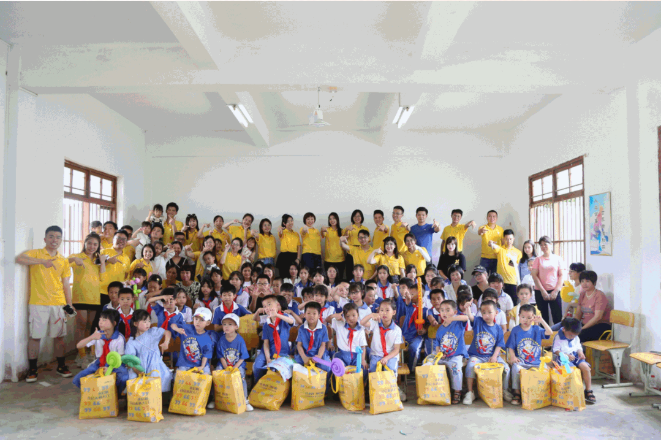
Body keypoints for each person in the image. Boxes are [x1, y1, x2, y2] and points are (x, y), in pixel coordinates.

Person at [16, 226, 74, 382]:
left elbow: (65, 284)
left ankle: (61, 366)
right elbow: (19, 259)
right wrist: (42, 261)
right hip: (38, 303)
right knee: (35, 337)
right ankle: (32, 369)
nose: (54, 240)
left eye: (58, 237)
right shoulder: (36, 253)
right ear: (45, 239)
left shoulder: (63, 260)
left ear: (61, 240)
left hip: (59, 304)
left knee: (59, 337)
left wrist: (69, 304)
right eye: (51, 236)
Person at [68, 233, 108, 366]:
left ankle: (85, 352)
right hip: (80, 296)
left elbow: (103, 278)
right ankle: (82, 356)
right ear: (85, 243)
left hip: (94, 297)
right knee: (81, 325)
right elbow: (62, 263)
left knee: (89, 327)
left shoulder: (98, 259)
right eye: (89, 243)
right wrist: (74, 259)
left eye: (95, 244)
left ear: (98, 246)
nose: (92, 246)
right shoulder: (77, 256)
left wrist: (103, 262)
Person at [463, 300, 512, 405]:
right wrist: (467, 308)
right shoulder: (478, 322)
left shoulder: (498, 328)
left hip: (492, 356)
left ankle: (504, 390)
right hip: (477, 356)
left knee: (506, 368)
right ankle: (470, 392)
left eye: (490, 312)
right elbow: (470, 317)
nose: (486, 315)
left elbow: (499, 344)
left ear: (496, 313)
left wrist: (494, 356)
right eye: (483, 312)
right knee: (470, 366)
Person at [72, 309, 129, 394]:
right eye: (100, 319)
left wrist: (110, 368)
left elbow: (120, 358)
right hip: (99, 362)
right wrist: (92, 337)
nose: (100, 322)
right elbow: (78, 346)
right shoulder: (97, 334)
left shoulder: (119, 338)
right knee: (78, 378)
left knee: (124, 377)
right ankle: (94, 393)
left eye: (104, 320)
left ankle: (115, 394)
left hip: (115, 363)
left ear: (114, 323)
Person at [506, 304, 553, 405]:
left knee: (545, 369)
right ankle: (517, 393)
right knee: (515, 368)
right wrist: (513, 356)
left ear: (533, 318)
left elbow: (550, 332)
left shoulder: (537, 329)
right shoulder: (515, 330)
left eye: (529, 317)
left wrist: (541, 321)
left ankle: (542, 392)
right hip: (521, 361)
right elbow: (510, 346)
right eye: (523, 317)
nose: (525, 320)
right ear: (519, 316)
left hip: (536, 362)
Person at [170, 307, 215, 405]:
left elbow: (206, 354)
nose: (197, 322)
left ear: (208, 323)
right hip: (184, 363)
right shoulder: (186, 328)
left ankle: (203, 401)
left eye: (202, 320)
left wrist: (202, 367)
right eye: (196, 319)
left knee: (206, 376)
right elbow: (172, 324)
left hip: (200, 364)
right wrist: (177, 329)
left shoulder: (207, 338)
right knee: (179, 376)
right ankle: (178, 401)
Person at [125, 309, 173, 392]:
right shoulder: (131, 341)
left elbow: (167, 332)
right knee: (134, 380)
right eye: (144, 321)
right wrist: (136, 370)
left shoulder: (153, 332)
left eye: (149, 321)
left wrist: (166, 342)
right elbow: (130, 360)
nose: (148, 324)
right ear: (135, 323)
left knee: (163, 376)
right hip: (140, 367)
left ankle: (160, 397)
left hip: (155, 364)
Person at [433, 300, 469, 405]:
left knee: (456, 369)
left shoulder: (458, 323)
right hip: (443, 357)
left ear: (455, 312)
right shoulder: (440, 329)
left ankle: (457, 391)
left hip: (456, 356)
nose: (444, 313)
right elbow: (437, 344)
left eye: (448, 310)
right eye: (442, 310)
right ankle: (436, 390)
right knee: (429, 364)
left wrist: (452, 318)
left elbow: (466, 318)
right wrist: (439, 353)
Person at [253, 295, 295, 382]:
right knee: (257, 367)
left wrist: (277, 315)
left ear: (277, 305)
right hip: (267, 351)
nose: (267, 308)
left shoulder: (284, 317)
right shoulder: (266, 325)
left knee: (277, 370)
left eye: (269, 304)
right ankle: (259, 385)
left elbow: (291, 321)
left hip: (282, 352)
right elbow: (266, 343)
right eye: (265, 306)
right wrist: (268, 358)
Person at [216, 313, 254, 411]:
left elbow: (242, 357)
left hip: (238, 364)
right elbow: (221, 356)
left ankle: (245, 400)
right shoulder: (221, 340)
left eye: (230, 324)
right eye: (224, 324)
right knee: (217, 373)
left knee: (241, 375)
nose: (226, 327)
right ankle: (216, 399)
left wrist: (234, 368)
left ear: (236, 327)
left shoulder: (240, 340)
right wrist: (226, 367)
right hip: (224, 364)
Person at [552, 317, 596, 404]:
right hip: (563, 358)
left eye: (574, 336)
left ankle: (588, 390)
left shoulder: (575, 336)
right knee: (572, 371)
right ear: (564, 329)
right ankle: (573, 391)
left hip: (575, 356)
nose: (572, 337)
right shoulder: (558, 337)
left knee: (586, 368)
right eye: (570, 335)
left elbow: (578, 346)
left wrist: (580, 352)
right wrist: (566, 355)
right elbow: (555, 350)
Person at [530, 236, 565, 326]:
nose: (543, 247)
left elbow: (562, 275)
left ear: (551, 244)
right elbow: (534, 275)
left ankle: (557, 334)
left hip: (555, 291)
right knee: (542, 317)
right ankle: (544, 334)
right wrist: (542, 291)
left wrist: (556, 291)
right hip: (540, 291)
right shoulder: (538, 259)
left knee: (557, 317)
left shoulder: (558, 258)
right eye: (541, 245)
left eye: (545, 244)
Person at [361, 299, 402, 373]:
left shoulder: (397, 330)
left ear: (394, 312)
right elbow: (362, 323)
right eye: (381, 310)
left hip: (391, 356)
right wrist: (370, 315)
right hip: (376, 355)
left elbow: (396, 350)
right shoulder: (375, 323)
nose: (384, 313)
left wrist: (386, 358)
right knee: (373, 370)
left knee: (390, 369)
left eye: (387, 310)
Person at [396, 278, 426, 373]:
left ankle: (411, 370)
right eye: (409, 293)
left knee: (414, 348)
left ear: (420, 295)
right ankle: (398, 370)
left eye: (412, 294)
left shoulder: (425, 310)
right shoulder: (410, 306)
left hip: (417, 337)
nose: (409, 295)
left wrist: (424, 330)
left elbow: (427, 326)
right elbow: (408, 300)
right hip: (404, 335)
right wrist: (408, 297)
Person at [574, 270, 612, 342]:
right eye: (582, 281)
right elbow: (578, 314)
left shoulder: (599, 295)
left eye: (587, 281)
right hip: (586, 325)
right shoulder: (582, 294)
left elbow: (597, 317)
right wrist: (573, 326)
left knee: (576, 336)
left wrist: (582, 329)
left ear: (594, 283)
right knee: (566, 331)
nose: (584, 284)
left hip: (601, 326)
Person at [488, 229, 522, 305]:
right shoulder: (500, 249)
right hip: (500, 282)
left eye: (510, 239)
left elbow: (519, 267)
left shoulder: (518, 252)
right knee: (499, 303)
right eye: (506, 239)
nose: (509, 241)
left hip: (513, 281)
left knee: (513, 304)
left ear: (513, 239)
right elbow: (492, 245)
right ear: (503, 239)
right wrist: (490, 243)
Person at [331, 302, 368, 372]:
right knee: (337, 368)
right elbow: (327, 320)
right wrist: (335, 315)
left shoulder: (361, 330)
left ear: (358, 315)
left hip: (356, 356)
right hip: (342, 355)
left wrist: (363, 360)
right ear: (344, 316)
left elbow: (363, 347)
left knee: (361, 369)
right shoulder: (339, 324)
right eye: (347, 316)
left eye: (354, 315)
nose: (351, 318)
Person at [296, 302, 331, 372]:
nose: (311, 316)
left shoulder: (323, 328)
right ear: (305, 315)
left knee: (327, 367)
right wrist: (304, 357)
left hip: (319, 354)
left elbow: (323, 345)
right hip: (305, 353)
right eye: (308, 313)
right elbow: (299, 345)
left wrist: (319, 356)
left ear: (319, 315)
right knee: (295, 366)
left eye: (314, 313)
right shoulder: (301, 328)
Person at [342, 209, 369, 279]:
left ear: (362, 217)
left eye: (359, 216)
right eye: (355, 216)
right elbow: (343, 239)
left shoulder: (365, 228)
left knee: (361, 270)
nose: (357, 218)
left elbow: (368, 241)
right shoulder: (348, 227)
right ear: (352, 218)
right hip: (351, 251)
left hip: (362, 251)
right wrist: (347, 230)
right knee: (350, 271)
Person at [477, 210, 504, 275]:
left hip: (497, 257)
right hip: (485, 258)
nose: (492, 218)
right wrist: (481, 231)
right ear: (487, 217)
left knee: (494, 278)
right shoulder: (482, 227)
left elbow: (503, 243)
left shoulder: (500, 229)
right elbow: (479, 232)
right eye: (490, 216)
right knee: (482, 276)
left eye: (494, 216)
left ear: (496, 218)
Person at [276, 214, 302, 278]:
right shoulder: (282, 232)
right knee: (284, 276)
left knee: (295, 276)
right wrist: (280, 229)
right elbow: (280, 233)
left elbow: (298, 247)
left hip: (294, 256)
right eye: (288, 221)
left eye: (291, 221)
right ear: (284, 223)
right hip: (284, 257)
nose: (290, 223)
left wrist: (298, 258)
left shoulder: (296, 234)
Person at [322, 212, 345, 280]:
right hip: (329, 259)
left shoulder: (342, 231)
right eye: (330, 219)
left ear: (337, 219)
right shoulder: (327, 230)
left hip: (340, 259)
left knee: (339, 279)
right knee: (328, 280)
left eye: (334, 218)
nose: (332, 220)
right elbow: (322, 234)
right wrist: (322, 229)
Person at [423, 289, 444, 356]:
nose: (436, 301)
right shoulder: (430, 311)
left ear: (443, 299)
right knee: (432, 355)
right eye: (433, 299)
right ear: (431, 302)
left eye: (438, 298)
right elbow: (430, 317)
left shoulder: (448, 311)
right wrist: (433, 321)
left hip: (445, 338)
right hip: (433, 338)